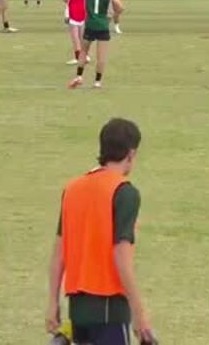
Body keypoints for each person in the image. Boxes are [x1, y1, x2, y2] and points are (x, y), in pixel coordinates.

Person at [46, 118, 154, 345]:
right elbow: (121, 257)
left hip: (78, 311)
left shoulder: (72, 189)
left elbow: (58, 255)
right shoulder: (124, 192)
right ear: (131, 154)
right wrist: (139, 312)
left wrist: (52, 302)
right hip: (110, 310)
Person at [69, 0, 124, 89]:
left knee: (83, 51)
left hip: (90, 24)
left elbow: (81, 1)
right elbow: (120, 7)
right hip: (102, 26)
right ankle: (97, 82)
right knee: (101, 57)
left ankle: (79, 76)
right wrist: (112, 16)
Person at [63, 0, 90, 66]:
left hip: (73, 9)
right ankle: (85, 55)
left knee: (74, 36)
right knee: (82, 35)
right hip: (83, 8)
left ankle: (78, 57)